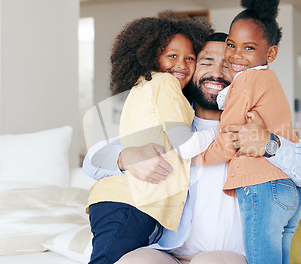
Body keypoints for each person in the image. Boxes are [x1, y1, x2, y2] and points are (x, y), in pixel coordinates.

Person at [83, 32, 301, 264]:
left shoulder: (257, 126)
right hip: (168, 253)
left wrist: (269, 145)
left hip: (229, 257)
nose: (217, 72)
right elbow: (92, 162)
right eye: (206, 62)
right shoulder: (170, 125)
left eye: (227, 65)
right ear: (189, 71)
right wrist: (126, 156)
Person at [86, 13, 214, 264]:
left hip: (132, 208)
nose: (183, 64)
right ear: (151, 57)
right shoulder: (164, 84)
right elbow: (93, 159)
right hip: (129, 204)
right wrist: (126, 156)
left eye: (191, 58)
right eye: (172, 56)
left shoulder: (145, 89)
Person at [196, 0, 300, 263]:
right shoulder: (270, 80)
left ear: (271, 53)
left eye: (249, 48)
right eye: (231, 44)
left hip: (262, 188)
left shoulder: (247, 81)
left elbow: (229, 136)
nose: (235, 55)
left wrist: (198, 159)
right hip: (289, 190)